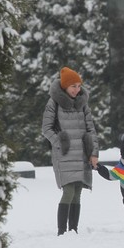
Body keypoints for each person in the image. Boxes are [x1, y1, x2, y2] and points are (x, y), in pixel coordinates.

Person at [42, 66, 99, 236]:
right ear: (65, 86)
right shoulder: (54, 102)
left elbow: (91, 129)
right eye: (73, 86)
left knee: (78, 192)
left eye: (78, 86)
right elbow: (46, 129)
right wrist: (60, 143)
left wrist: (94, 153)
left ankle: (73, 231)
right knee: (68, 191)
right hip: (65, 154)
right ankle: (61, 232)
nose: (77, 89)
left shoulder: (83, 104)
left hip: (82, 154)